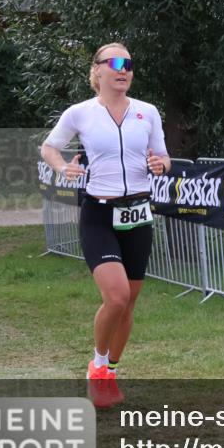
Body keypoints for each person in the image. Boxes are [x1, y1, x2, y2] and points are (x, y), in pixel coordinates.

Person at [41, 42, 170, 407]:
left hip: (139, 213)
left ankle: (111, 372)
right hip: (99, 213)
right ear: (97, 71)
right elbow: (49, 148)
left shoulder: (147, 112)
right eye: (114, 62)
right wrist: (61, 166)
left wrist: (162, 165)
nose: (123, 69)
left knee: (129, 305)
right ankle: (97, 368)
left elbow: (163, 156)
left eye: (128, 63)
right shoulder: (80, 113)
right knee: (116, 297)